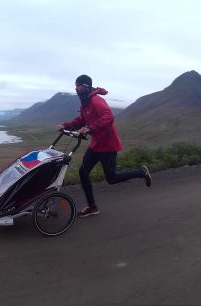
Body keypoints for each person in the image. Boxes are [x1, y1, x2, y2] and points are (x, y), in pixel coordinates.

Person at [57, 74, 151, 217]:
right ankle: (92, 207)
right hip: (96, 144)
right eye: (75, 86)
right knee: (83, 173)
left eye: (79, 86)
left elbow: (108, 116)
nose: (76, 89)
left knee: (111, 179)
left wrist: (90, 128)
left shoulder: (96, 101)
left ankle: (141, 173)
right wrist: (66, 125)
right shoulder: (86, 102)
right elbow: (82, 119)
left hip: (108, 145)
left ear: (86, 86)